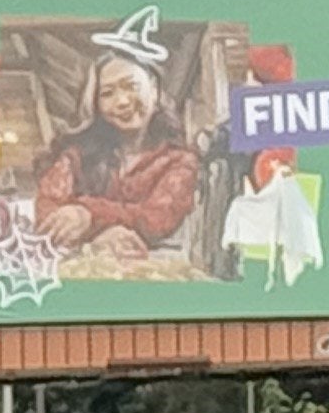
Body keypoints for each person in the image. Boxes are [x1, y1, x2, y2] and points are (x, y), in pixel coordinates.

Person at [31, 17, 202, 257]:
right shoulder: (76, 156)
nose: (121, 101)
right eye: (107, 93)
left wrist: (89, 215)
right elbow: (47, 208)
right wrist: (100, 237)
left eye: (131, 86)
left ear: (154, 89)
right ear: (96, 105)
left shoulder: (180, 161)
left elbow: (157, 219)